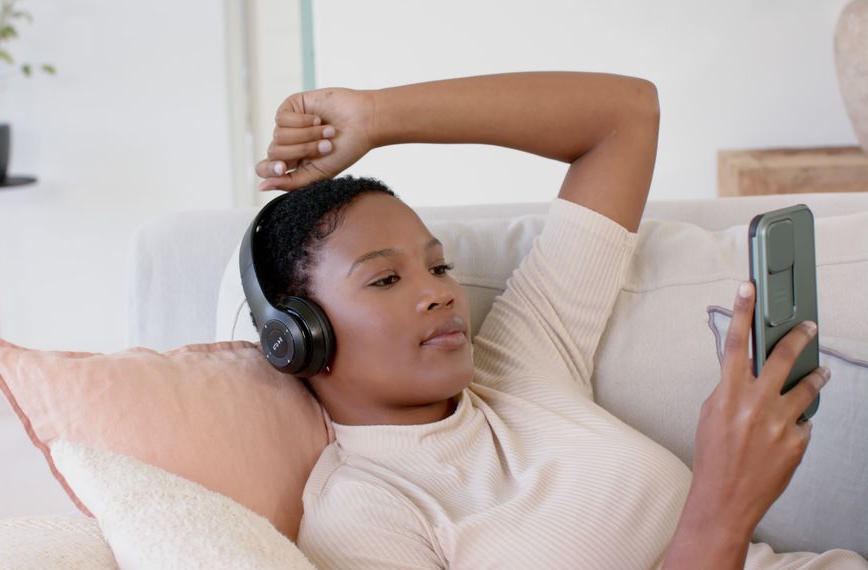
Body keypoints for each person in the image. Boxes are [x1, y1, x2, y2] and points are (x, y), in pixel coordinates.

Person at [250, 72, 867, 569]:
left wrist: (375, 117)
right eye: (385, 279)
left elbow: (625, 115)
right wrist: (720, 511)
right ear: (299, 334)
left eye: (439, 268)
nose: (439, 294)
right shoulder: (362, 515)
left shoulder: (519, 359)